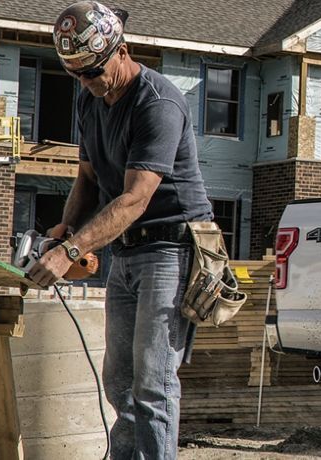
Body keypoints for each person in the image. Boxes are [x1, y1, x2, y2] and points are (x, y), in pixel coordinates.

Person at [27, 2, 213, 458]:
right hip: (125, 253)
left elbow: (134, 199)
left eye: (93, 71)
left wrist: (70, 252)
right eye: (77, 75)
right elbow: (88, 179)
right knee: (119, 382)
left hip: (172, 248)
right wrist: (65, 229)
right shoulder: (91, 102)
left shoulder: (159, 103)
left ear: (122, 50)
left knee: (153, 381)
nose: (87, 82)